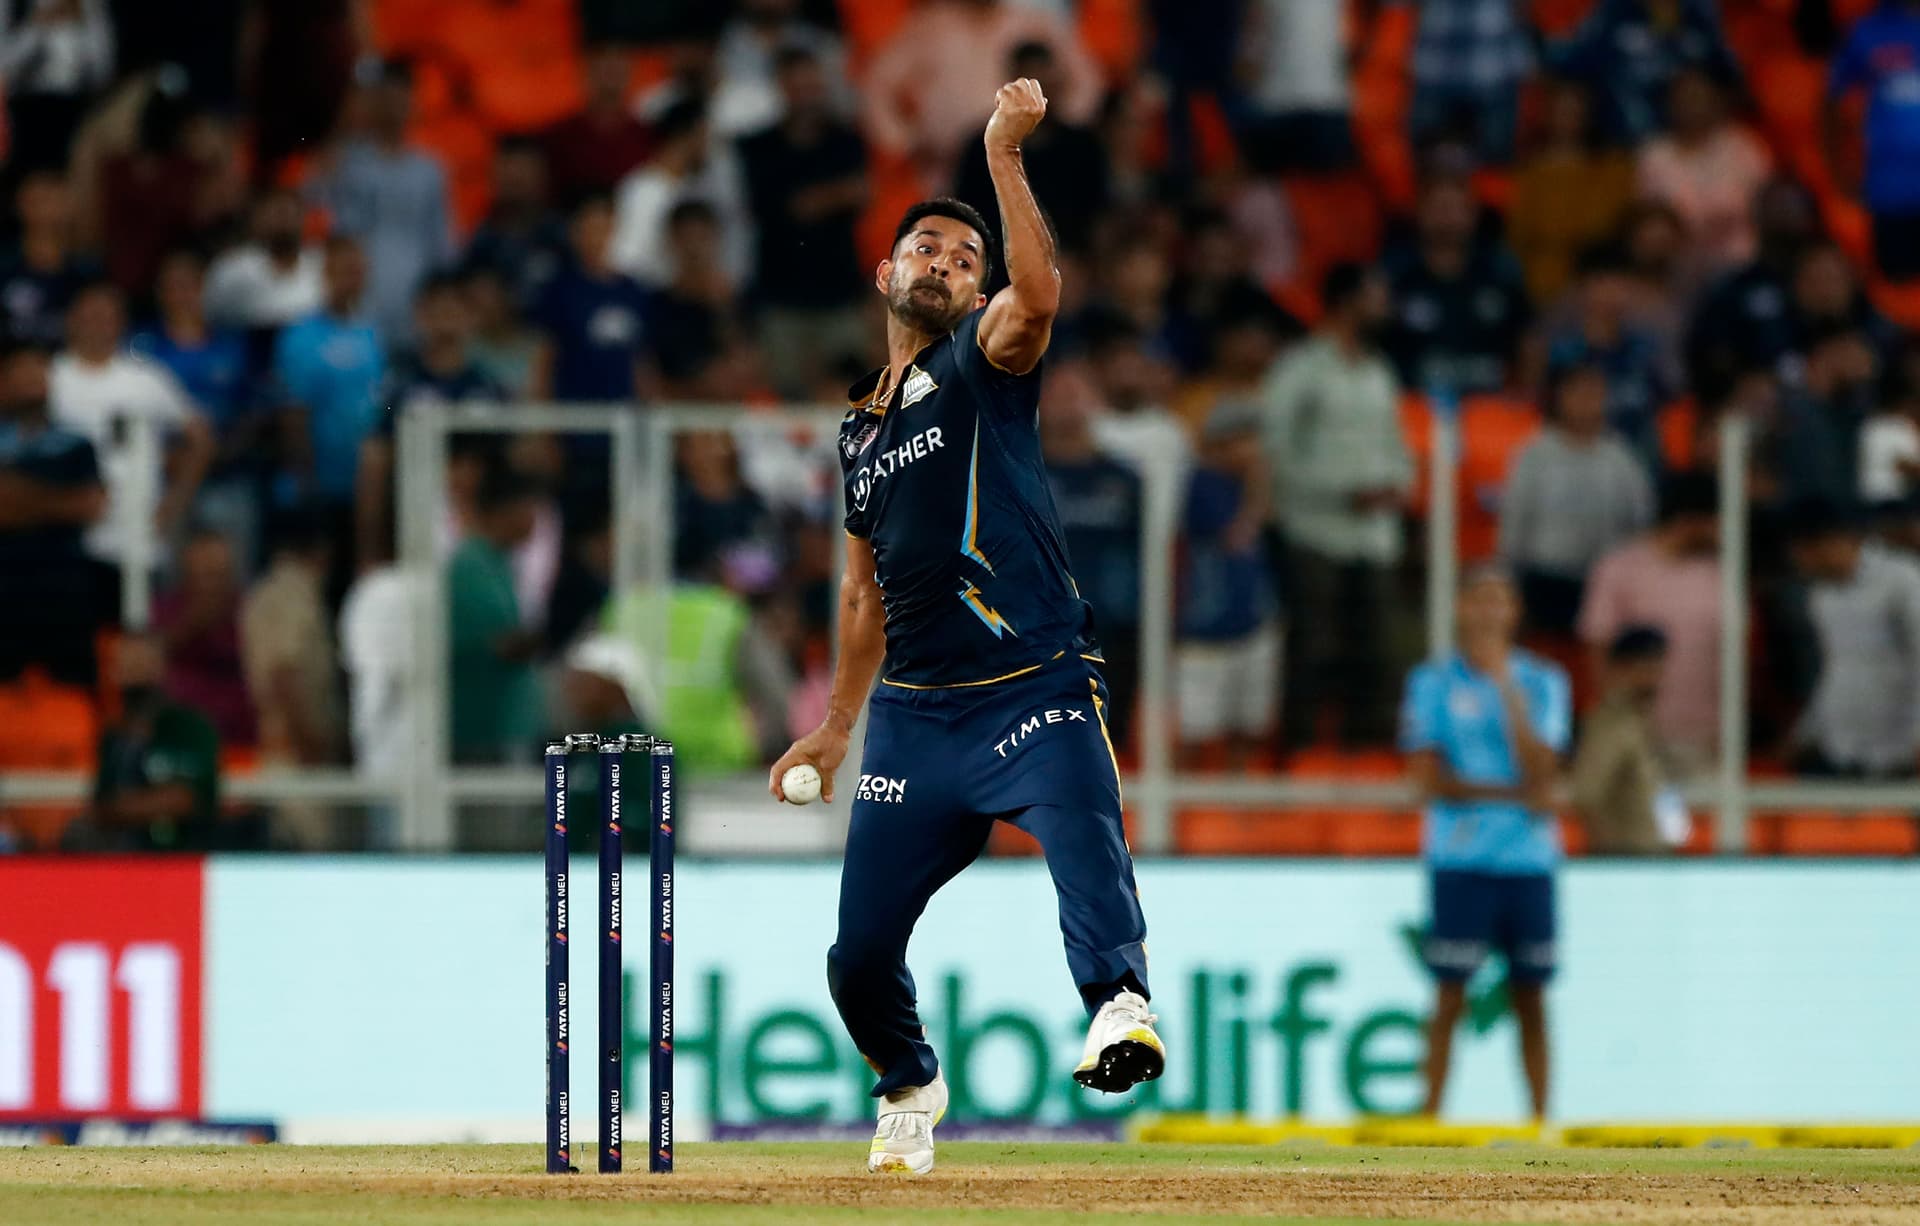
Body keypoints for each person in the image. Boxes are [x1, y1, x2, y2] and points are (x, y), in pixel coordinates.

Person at [766, 80, 1161, 1175]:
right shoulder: (856, 429)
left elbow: (1039, 296)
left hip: (1035, 683)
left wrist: (1003, 155)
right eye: (926, 249)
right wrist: (835, 729)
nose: (943, 264)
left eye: (963, 259)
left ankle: (1120, 1007)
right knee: (857, 957)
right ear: (884, 273)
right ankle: (908, 1083)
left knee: (1084, 835)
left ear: (977, 292)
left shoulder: (984, 364)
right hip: (915, 718)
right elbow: (863, 597)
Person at [1402, 564, 1571, 1122]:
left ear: (1515, 612)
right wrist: (1517, 794)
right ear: (1460, 608)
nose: (1489, 613)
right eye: (1479, 599)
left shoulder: (1543, 681)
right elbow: (1427, 779)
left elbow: (1543, 768)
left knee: (1532, 998)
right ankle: (1429, 1121)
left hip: (1528, 862)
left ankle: (1541, 1125)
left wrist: (1505, 687)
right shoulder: (1432, 682)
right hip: (1461, 859)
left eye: (1500, 600)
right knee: (1448, 994)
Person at [1261, 263, 1412, 750]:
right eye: (1374, 295)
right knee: (1313, 650)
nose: (1384, 306)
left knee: (1379, 653)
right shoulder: (1300, 369)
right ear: (1347, 302)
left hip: (1375, 535)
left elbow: (1396, 443)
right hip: (1315, 532)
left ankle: (1366, 759)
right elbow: (1276, 451)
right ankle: (1301, 756)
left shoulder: (1379, 371)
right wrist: (1342, 493)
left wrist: (1399, 484)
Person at [49, 281, 215, 578]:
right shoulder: (49, 379)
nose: (97, 326)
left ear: (121, 323)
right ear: (71, 320)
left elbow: (201, 439)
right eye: (90, 316)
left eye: (106, 317)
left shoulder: (146, 379)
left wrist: (173, 506)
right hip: (62, 536)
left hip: (136, 538)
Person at [736, 43, 871, 399]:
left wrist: (815, 199)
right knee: (786, 399)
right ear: (781, 87)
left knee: (852, 395)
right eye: (797, 86)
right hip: (782, 297)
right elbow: (788, 208)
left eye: (811, 84)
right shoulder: (759, 146)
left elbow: (859, 194)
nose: (806, 95)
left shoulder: (846, 140)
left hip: (840, 293)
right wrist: (833, 194)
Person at [1578, 472, 1722, 770]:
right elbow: (1598, 649)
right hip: (1637, 733)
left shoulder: (1718, 573)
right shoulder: (1620, 568)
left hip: (1705, 738)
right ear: (1691, 520)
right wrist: (1619, 723)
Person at [1499, 363, 1654, 635]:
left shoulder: (1621, 458)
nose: (1586, 402)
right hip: (1546, 578)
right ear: (1560, 398)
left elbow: (1641, 522)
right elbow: (1515, 522)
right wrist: (1511, 579)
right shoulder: (1534, 455)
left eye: (1594, 394)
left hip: (1606, 581)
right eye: (1578, 393)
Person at [309, 58, 454, 344]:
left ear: (413, 101)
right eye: (385, 95)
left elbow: (442, 245)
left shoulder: (430, 170)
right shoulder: (346, 163)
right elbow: (314, 205)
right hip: (358, 298)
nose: (393, 105)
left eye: (401, 96)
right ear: (372, 101)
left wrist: (440, 301)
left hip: (414, 300)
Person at [1786, 500, 1920, 778]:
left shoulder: (1902, 582)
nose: (1798, 562)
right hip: (1842, 751)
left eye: (1800, 552)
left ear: (1827, 543)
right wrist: (1808, 730)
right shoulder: (1822, 596)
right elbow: (1835, 668)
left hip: (1900, 754)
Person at [0, 336, 105, 686]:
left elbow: (90, 505)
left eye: (40, 367)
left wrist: (16, 494)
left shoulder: (76, 442)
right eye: (22, 368)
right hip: (5, 587)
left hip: (63, 588)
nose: (34, 376)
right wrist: (58, 501)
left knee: (75, 692)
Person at [63, 630, 227, 852]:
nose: (134, 674)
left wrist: (121, 809)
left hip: (186, 856)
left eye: (141, 663)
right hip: (123, 858)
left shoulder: (189, 726)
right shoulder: (113, 736)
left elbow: (187, 799)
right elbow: (101, 804)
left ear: (161, 668)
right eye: (125, 665)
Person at [242, 507, 343, 847]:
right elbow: (283, 674)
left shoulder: (264, 591)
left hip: (284, 755)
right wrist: (309, 744)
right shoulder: (291, 593)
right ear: (321, 549)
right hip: (297, 759)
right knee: (307, 856)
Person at [448, 464, 546, 764]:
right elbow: (491, 644)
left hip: (506, 728)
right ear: (506, 510)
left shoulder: (499, 564)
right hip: (480, 733)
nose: (535, 521)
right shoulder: (470, 568)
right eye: (530, 509)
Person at [1826, 0, 1920, 281]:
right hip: (1892, 193)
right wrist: (1839, 169)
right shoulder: (1867, 31)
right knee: (1898, 290)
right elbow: (1831, 100)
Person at [1571, 625, 1686, 854]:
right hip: (1626, 856)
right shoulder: (1612, 725)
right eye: (1645, 667)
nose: (1655, 678)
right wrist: (1610, 855)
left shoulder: (1639, 721)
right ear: (1620, 670)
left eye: (1658, 666)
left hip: (1649, 855)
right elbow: (1587, 795)